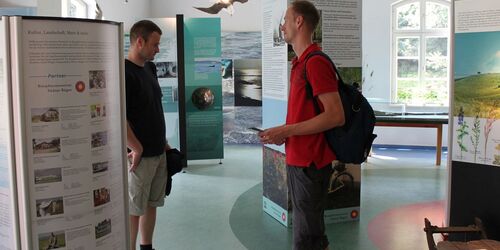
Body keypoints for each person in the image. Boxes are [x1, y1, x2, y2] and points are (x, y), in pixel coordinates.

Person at [259, 1, 345, 249]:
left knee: (306, 237)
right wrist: (284, 134)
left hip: (311, 163)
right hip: (301, 159)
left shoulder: (315, 63)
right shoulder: (300, 62)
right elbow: (306, 115)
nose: (282, 25)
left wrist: (287, 130)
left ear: (299, 22)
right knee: (311, 232)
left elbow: (335, 115)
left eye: (285, 19)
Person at [126, 20, 171, 250]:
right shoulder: (124, 73)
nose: (157, 49)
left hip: (158, 151)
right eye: (154, 44)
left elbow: (155, 108)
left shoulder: (150, 68)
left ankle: (147, 247)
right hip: (140, 158)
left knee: (152, 203)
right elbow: (119, 118)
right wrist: (136, 148)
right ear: (139, 41)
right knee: (134, 210)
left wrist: (164, 143)